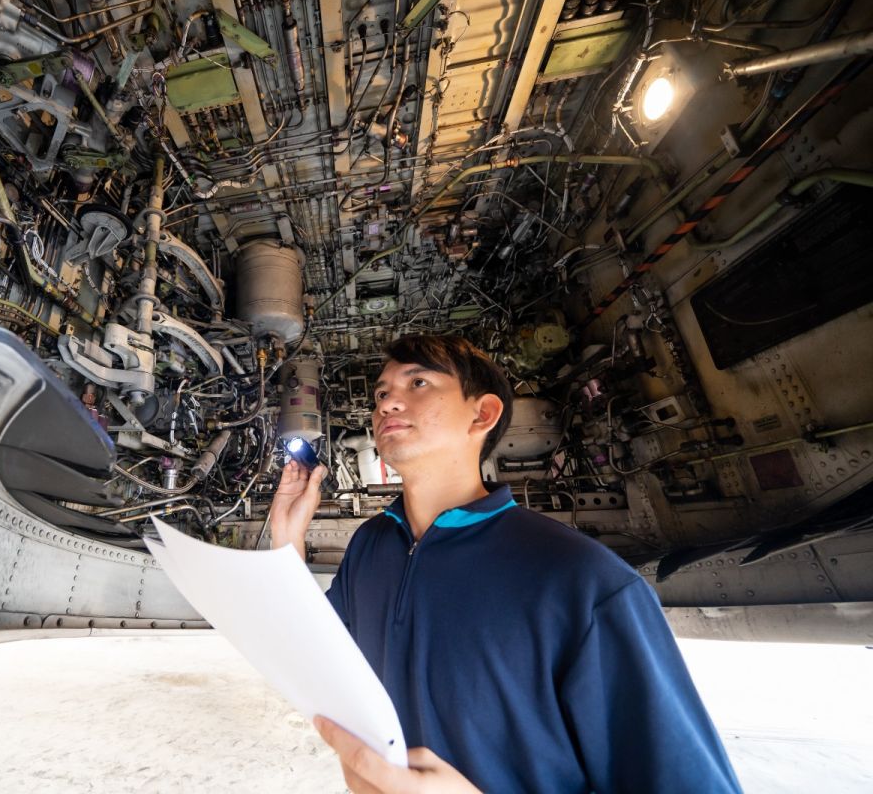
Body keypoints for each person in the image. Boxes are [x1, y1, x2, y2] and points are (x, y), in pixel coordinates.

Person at [268, 334, 740, 794]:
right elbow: (320, 654)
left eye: (418, 384)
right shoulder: (371, 546)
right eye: (382, 394)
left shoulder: (582, 580)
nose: (387, 404)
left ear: (483, 414)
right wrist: (287, 545)